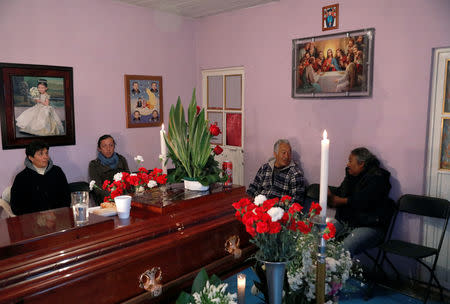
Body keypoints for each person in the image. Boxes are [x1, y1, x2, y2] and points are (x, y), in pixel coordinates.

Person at [327, 147, 395, 257]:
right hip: (348, 221)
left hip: (370, 225)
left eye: (350, 161)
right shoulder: (351, 175)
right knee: (321, 236)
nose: (347, 164)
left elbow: (363, 201)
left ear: (361, 164)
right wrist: (330, 195)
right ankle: (316, 271)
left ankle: (336, 273)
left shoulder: (378, 178)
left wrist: (340, 200)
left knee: (345, 248)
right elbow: (342, 193)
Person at [10, 140, 70, 215]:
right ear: (31, 158)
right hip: (32, 221)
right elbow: (16, 206)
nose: (46, 157)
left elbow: (66, 197)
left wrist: (56, 213)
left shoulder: (57, 171)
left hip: (58, 217)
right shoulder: (21, 178)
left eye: (46, 153)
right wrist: (39, 217)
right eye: (40, 154)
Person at [247, 139, 306, 204]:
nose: (286, 156)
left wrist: (274, 206)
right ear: (275, 154)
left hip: (278, 211)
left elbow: (297, 201)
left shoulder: (295, 174)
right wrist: (251, 201)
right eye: (284, 153)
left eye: (289, 153)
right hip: (260, 207)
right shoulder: (265, 168)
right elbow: (254, 187)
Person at [89, 135, 130, 204]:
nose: (108, 149)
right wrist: (113, 196)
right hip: (106, 200)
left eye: (111, 145)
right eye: (104, 146)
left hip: (124, 198)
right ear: (99, 149)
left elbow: (128, 180)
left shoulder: (121, 159)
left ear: (114, 146)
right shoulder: (94, 165)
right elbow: (98, 189)